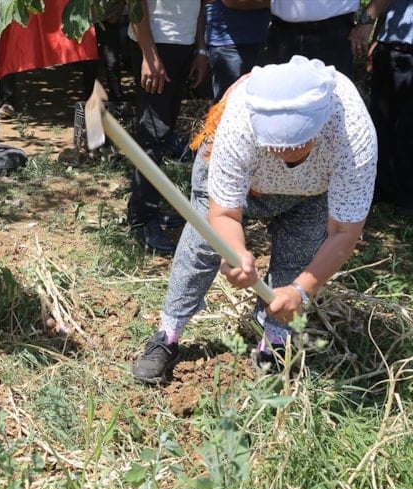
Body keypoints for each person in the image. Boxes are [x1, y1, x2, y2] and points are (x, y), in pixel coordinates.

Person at [131, 56, 378, 384]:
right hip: (241, 185)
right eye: (274, 146)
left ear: (321, 124)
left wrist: (301, 291)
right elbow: (224, 213)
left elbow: (344, 231)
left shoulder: (353, 134)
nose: (285, 154)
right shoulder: (239, 119)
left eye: (299, 146)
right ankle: (168, 333)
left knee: (298, 257)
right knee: (200, 245)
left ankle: (274, 342)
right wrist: (235, 251)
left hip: (311, 193)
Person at [127, 0, 209, 255]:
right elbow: (135, 4)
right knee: (153, 133)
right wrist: (149, 55)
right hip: (156, 45)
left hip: (183, 47)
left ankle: (148, 208)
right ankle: (142, 220)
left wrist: (200, 49)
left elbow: (201, 5)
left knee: (163, 134)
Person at [350, 0, 413, 217]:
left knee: (408, 129)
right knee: (379, 123)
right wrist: (378, 38)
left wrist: (366, 20)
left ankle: (406, 197)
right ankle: (379, 188)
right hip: (390, 48)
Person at [266, 0, 359, 77]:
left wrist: (365, 21)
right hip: (283, 34)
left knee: (335, 90)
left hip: (332, 35)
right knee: (280, 90)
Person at [204, 0, 270, 102]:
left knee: (258, 102)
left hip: (260, 42)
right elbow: (232, 2)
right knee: (229, 103)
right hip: (228, 47)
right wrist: (272, 3)